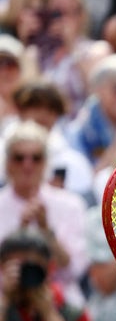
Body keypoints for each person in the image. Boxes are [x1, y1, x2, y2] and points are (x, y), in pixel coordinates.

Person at [0, 120, 90, 308]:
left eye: (36, 157)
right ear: (7, 163)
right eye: (19, 157)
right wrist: (21, 233)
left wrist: (45, 229)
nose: (27, 165)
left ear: (46, 162)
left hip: (63, 304)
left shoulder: (71, 205)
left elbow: (74, 270)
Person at [0, 227, 91, 321]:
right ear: (2, 267)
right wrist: (5, 300)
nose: (24, 275)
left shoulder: (73, 315)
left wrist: (48, 312)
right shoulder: (4, 308)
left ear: (50, 267)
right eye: (18, 268)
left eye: (30, 268)